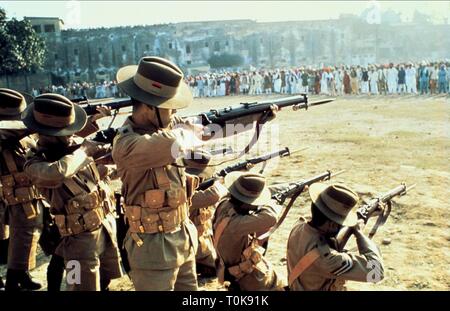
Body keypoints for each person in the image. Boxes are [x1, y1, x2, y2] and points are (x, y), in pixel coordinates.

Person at [111, 56, 278, 291]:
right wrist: (191, 132)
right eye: (170, 107)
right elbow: (173, 142)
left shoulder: (167, 126)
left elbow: (210, 129)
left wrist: (254, 118)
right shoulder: (127, 143)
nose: (174, 113)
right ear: (150, 108)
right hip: (151, 248)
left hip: (182, 236)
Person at [23, 93, 123, 291]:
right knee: (80, 286)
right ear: (47, 134)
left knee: (103, 282)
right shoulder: (34, 162)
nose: (72, 136)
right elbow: (56, 173)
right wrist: (85, 151)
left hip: (102, 230)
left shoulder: (71, 148)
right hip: (78, 240)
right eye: (66, 132)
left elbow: (95, 167)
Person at [287, 183, 384, 291]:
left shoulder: (299, 225)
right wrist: (359, 233)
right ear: (331, 224)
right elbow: (377, 272)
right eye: (343, 222)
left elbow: (327, 238)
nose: (344, 225)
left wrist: (364, 216)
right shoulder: (328, 260)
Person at [0, 89, 43, 291]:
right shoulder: (4, 134)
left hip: (29, 195)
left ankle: (21, 274)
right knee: (18, 238)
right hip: (13, 196)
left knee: (26, 238)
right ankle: (13, 280)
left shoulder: (22, 135)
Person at [213, 172, 285, 291]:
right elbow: (271, 217)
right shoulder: (236, 224)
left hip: (230, 268)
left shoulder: (225, 203)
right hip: (245, 276)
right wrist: (271, 201)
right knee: (282, 285)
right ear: (247, 202)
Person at [183, 149, 228, 277]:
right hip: (186, 245)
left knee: (222, 268)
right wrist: (219, 183)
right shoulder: (181, 190)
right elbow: (212, 196)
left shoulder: (200, 186)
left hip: (202, 242)